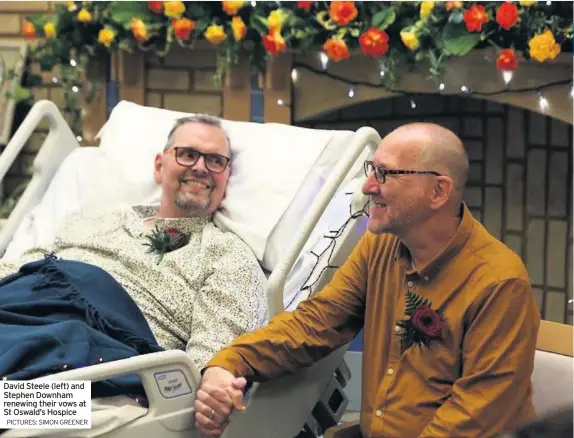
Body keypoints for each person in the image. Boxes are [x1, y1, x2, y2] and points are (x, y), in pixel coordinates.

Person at [194, 122, 541, 438]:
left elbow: (474, 416)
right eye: (371, 169)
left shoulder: (499, 284)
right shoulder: (379, 248)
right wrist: (229, 361)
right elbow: (313, 324)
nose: (368, 185)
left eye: (386, 174)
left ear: (438, 191)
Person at [0, 115, 267, 399]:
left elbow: (208, 365)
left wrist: (212, 388)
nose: (201, 167)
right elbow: (24, 269)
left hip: (96, 368)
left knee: (21, 407)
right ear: (158, 166)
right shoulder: (98, 220)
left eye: (215, 161)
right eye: (188, 155)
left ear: (226, 178)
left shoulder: (228, 256)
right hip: (21, 309)